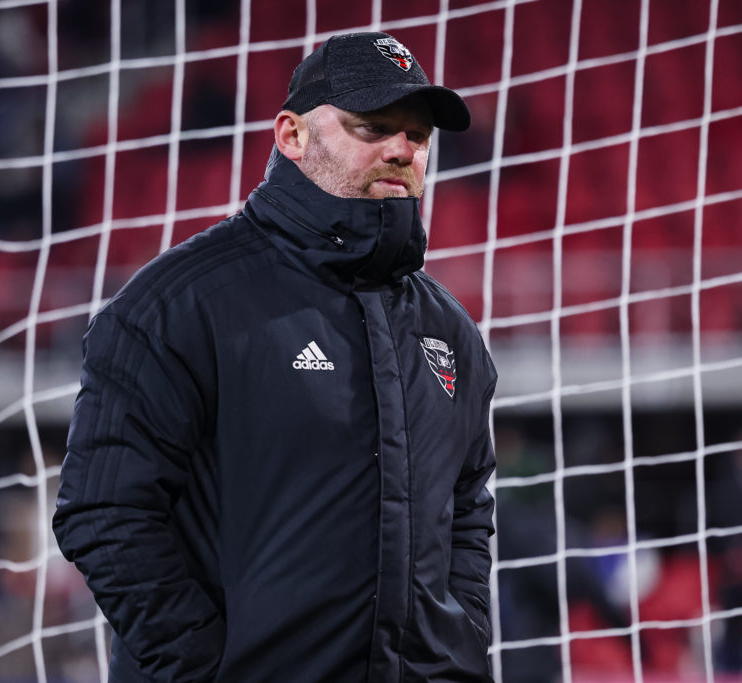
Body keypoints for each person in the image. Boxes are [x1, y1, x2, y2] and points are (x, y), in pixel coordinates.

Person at [52, 32, 497, 682]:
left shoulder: (449, 329)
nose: (403, 150)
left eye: (419, 135)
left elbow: (467, 505)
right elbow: (104, 512)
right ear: (291, 136)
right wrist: (204, 667)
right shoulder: (178, 304)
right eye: (372, 126)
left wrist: (462, 649)